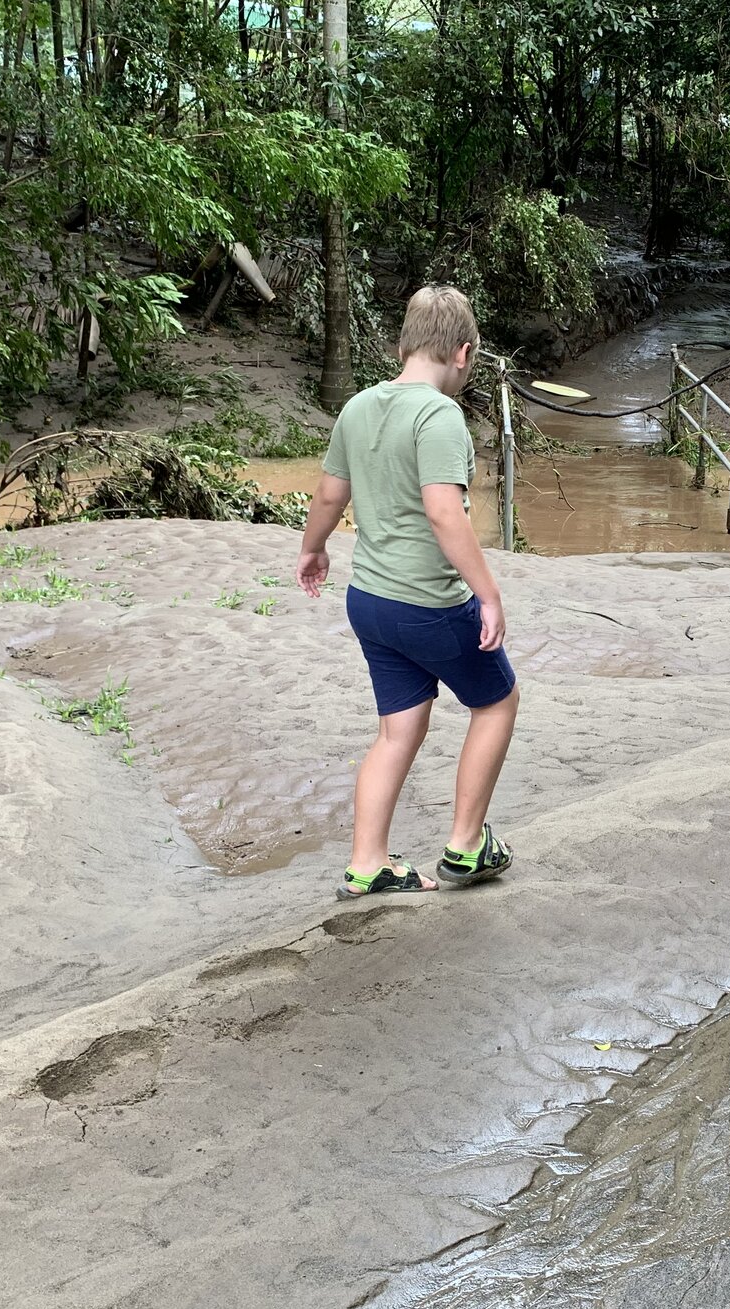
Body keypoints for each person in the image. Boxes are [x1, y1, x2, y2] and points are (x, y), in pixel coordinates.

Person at [297, 285, 518, 899]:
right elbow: (445, 513)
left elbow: (329, 497)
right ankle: (468, 847)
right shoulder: (440, 416)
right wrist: (489, 594)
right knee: (497, 702)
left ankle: (368, 865)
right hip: (429, 603)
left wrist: (312, 549)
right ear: (464, 353)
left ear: (402, 345)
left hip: (369, 600)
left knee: (398, 730)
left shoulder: (358, 407)